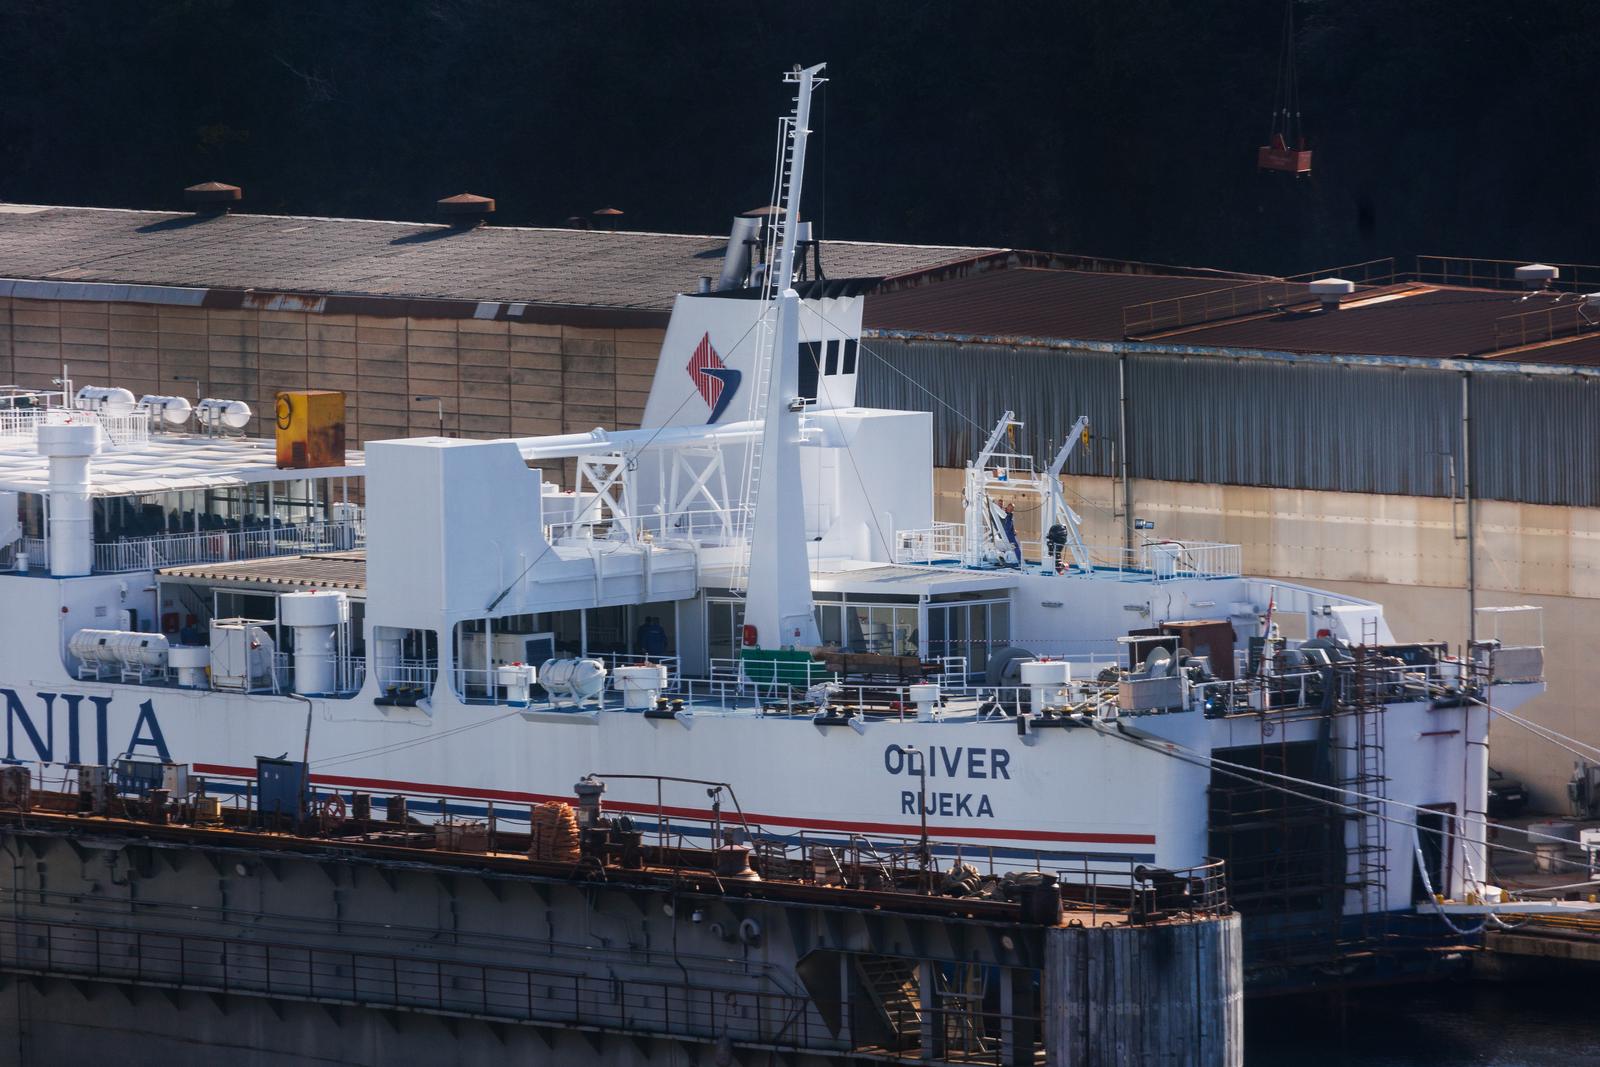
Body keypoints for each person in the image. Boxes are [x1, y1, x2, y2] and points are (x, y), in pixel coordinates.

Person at [1001, 502, 1022, 568]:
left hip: (1010, 534)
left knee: (1016, 547)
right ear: (1008, 507)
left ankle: (1019, 560)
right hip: (1005, 533)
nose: (1012, 509)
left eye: (1013, 508)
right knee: (1005, 547)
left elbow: (1011, 524)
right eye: (1012, 507)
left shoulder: (1011, 515)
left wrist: (1013, 530)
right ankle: (1004, 560)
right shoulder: (1003, 513)